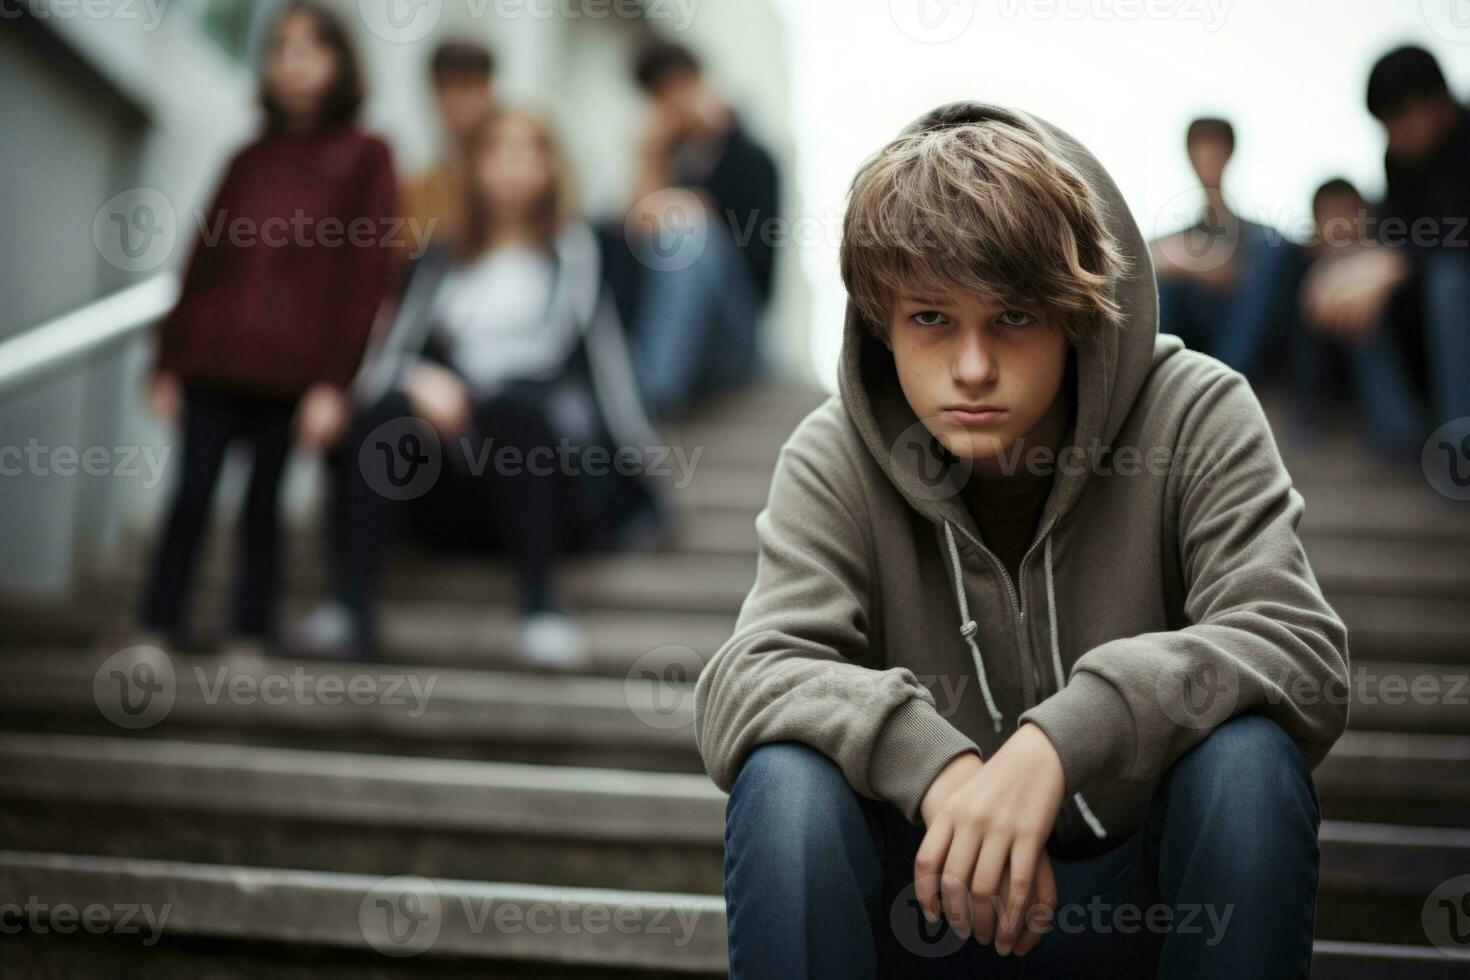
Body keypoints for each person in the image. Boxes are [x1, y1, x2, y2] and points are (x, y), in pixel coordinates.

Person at [695, 103, 1349, 978]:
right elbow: (751, 674)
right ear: (883, 321)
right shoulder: (835, 452)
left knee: (1250, 764)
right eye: (931, 318)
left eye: (1012, 317)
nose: (971, 367)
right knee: (785, 783)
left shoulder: (1195, 410)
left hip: (1146, 908)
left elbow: (1296, 645)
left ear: (1076, 311)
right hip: (924, 903)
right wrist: (937, 768)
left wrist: (1059, 741)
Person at [293, 108, 667, 668]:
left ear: (549, 167)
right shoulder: (438, 259)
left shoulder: (576, 251)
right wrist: (420, 380)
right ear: (474, 167)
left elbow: (602, 370)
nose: (512, 167)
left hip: (541, 477)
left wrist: (644, 470)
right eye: (498, 152)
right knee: (392, 410)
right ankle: (349, 608)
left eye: (527, 152)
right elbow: (388, 359)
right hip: (449, 489)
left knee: (514, 411)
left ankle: (543, 608)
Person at [138, 1, 399, 658]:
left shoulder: (367, 157)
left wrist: (333, 382)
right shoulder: (249, 157)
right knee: (190, 497)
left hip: (291, 374)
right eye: (281, 47)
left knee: (264, 506)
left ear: (341, 62)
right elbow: (203, 257)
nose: (293, 62)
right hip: (211, 359)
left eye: (311, 48)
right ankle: (157, 625)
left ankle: (248, 632)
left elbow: (365, 277)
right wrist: (167, 357)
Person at [613, 38, 781, 419]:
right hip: (675, 337)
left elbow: (761, 273)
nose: (674, 102)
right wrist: (650, 157)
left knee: (687, 231)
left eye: (681, 86)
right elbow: (629, 243)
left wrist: (699, 212)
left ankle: (650, 398)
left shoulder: (751, 156)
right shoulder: (667, 159)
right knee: (679, 226)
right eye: (660, 94)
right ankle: (646, 385)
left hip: (735, 335)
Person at [1308, 46, 1470, 431]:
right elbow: (1396, 234)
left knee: (1449, 281)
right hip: (1422, 297)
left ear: (1435, 105)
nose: (1392, 136)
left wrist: (1395, 262)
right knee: (1351, 287)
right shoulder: (1397, 160)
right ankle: (1401, 435)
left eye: (1397, 120)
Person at [1151, 117, 1301, 383]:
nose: (1208, 157)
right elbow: (1143, 260)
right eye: (1200, 147)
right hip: (1194, 333)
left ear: (1229, 153)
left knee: (1272, 250)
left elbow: (1244, 273)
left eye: (1215, 147)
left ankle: (1224, 381)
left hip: (1244, 342)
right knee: (1158, 275)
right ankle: (1161, 377)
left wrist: (1193, 261)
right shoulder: (1176, 238)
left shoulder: (1259, 237)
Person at [1292, 178, 1424, 460]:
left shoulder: (1385, 269)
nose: (1341, 227)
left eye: (1348, 215)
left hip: (1387, 365)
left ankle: (1399, 432)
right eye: (1330, 217)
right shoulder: (1298, 270)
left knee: (1361, 316)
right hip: (1320, 381)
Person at [403, 38, 498, 252]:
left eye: (468, 86)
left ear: (488, 90)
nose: (457, 100)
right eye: (446, 87)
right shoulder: (422, 188)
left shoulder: (514, 175)